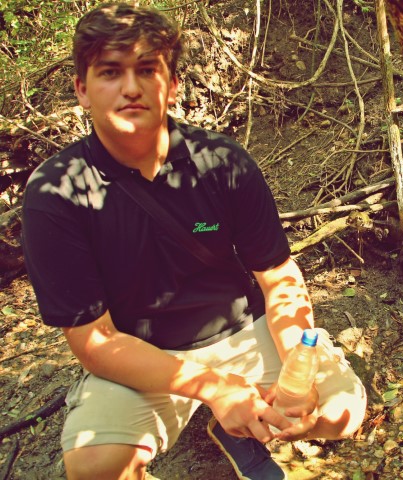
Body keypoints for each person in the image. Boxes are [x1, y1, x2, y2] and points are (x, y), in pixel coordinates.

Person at [21, 3, 366, 480]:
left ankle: (236, 426)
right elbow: (94, 341)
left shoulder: (222, 163)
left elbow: (278, 276)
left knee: (340, 413)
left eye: (147, 70)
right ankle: (226, 408)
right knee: (96, 467)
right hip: (142, 352)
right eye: (110, 72)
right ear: (82, 89)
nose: (130, 87)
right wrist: (217, 388)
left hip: (243, 329)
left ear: (173, 85)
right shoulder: (56, 193)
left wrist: (297, 368)